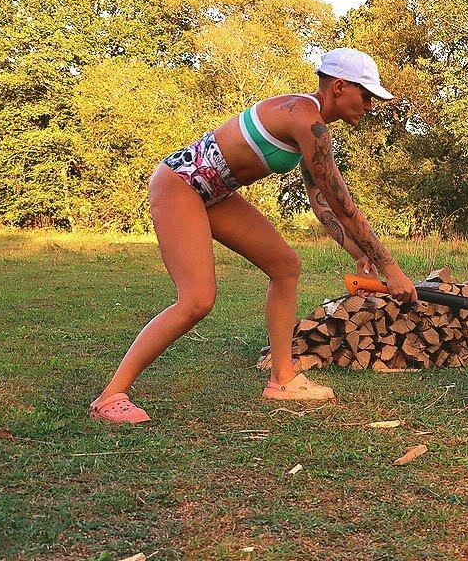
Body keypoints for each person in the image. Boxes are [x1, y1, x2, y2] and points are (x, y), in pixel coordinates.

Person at [90, 48, 418, 424]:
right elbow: (344, 205)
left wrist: (356, 251)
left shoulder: (309, 122)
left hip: (215, 193)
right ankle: (111, 396)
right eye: (366, 95)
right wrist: (389, 267)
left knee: (285, 266)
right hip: (180, 185)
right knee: (197, 300)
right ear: (340, 86)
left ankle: (283, 378)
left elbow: (321, 201)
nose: (370, 106)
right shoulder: (305, 121)